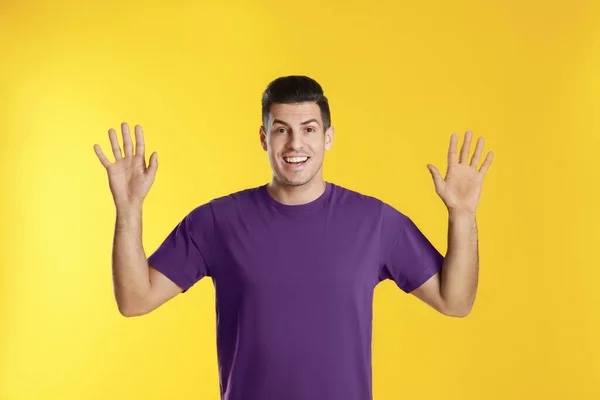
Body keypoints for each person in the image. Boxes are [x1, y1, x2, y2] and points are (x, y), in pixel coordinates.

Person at [93, 75, 494, 400]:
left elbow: (455, 301)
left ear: (328, 138)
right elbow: (134, 300)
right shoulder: (217, 222)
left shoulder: (376, 222)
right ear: (264, 139)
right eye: (281, 130)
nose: (295, 143)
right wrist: (129, 211)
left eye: (308, 129)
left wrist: (462, 216)